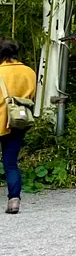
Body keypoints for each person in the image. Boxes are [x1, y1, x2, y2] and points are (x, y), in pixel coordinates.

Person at [0, 38, 36, 214]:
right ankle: (14, 201)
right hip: (18, 122)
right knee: (11, 163)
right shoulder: (29, 72)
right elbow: (30, 98)